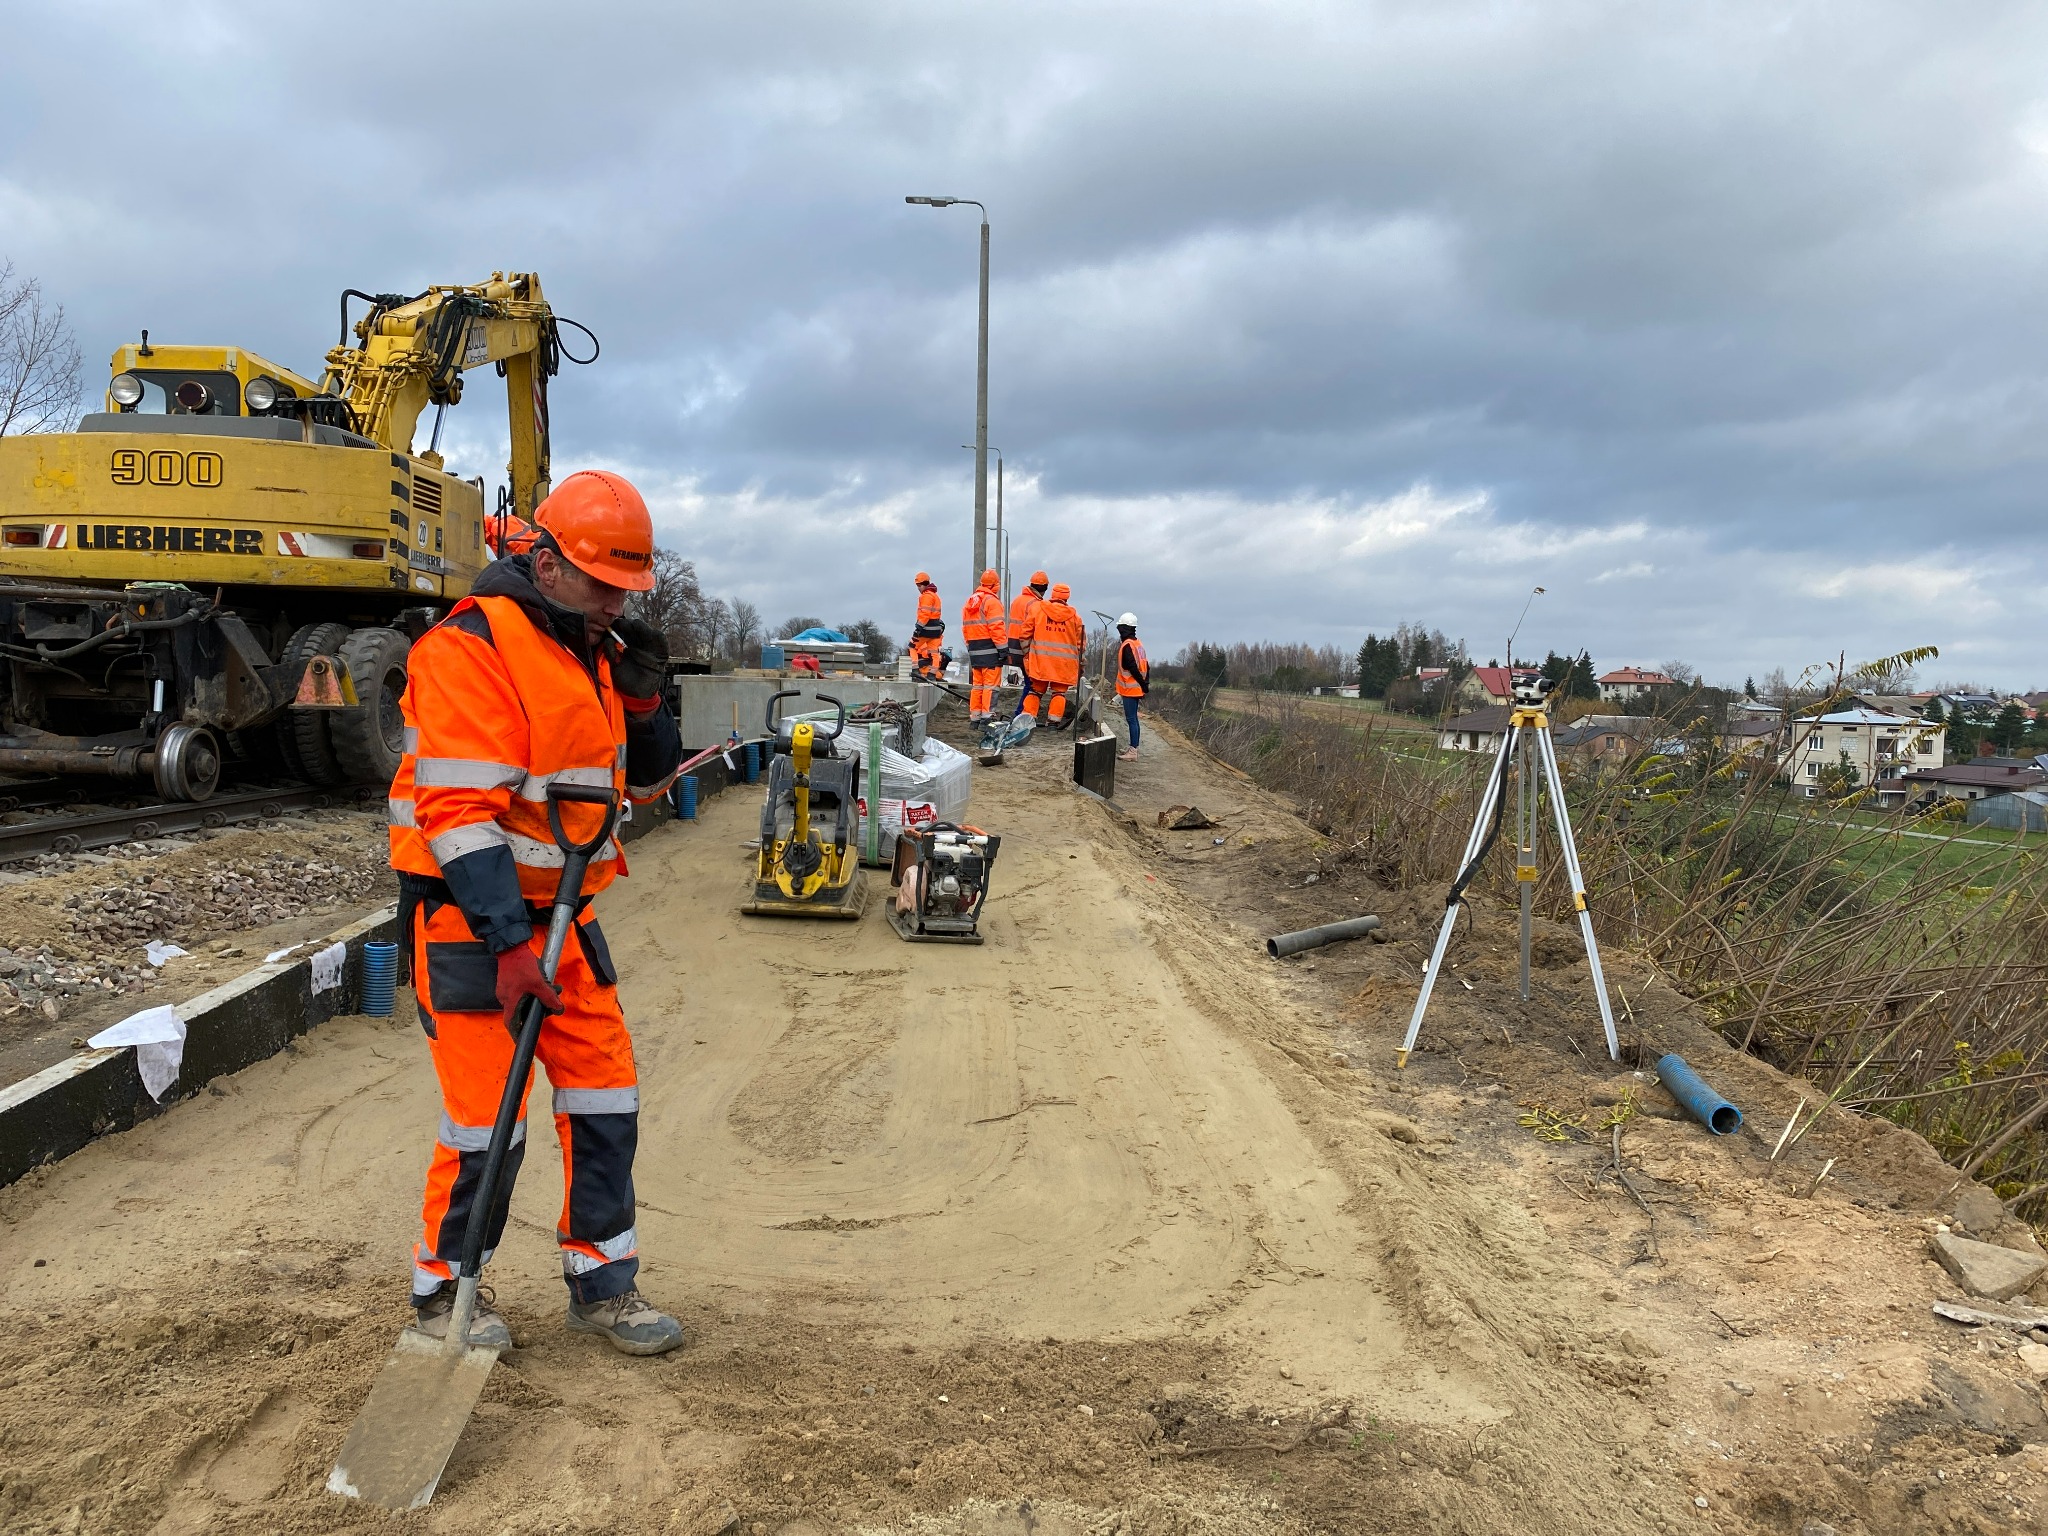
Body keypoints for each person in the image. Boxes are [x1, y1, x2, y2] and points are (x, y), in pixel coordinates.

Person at [387, 469, 687, 1357]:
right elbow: (457, 816)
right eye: (601, 585)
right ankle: (446, 1298)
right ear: (547, 562)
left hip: (566, 923)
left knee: (606, 1098)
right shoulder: (469, 648)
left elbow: (643, 777)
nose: (612, 604)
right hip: (471, 923)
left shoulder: (588, 649)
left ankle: (602, 1284)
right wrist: (510, 947)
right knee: (486, 1121)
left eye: (626, 590)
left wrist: (643, 700)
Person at [1020, 581, 1084, 728]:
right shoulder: (1075, 618)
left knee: (1035, 691)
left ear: (1053, 594)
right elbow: (1081, 645)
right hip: (1064, 664)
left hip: (1040, 661)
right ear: (1067, 597)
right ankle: (1053, 723)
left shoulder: (1038, 609)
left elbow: (1024, 634)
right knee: (1059, 694)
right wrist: (1080, 663)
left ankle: (1027, 721)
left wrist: (1027, 654)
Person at [960, 568, 1005, 722]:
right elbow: (996, 628)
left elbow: (965, 628)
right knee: (991, 686)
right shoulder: (992, 602)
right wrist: (1003, 650)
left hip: (974, 649)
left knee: (978, 686)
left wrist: (970, 647)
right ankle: (988, 716)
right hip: (990, 650)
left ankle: (975, 717)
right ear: (995, 585)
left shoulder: (970, 601)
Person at [1005, 571, 1048, 717]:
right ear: (1045, 588)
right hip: (1026, 648)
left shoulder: (1018, 600)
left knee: (1029, 682)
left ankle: (1021, 714)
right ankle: (1021, 715)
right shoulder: (1036, 604)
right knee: (1033, 685)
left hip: (1012, 645)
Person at [1114, 612, 1149, 760]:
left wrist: (1142, 684)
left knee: (1132, 719)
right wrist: (1145, 684)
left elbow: (1133, 668)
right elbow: (1146, 665)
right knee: (1133, 719)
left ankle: (1133, 751)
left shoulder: (1127, 646)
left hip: (1131, 689)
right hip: (1136, 688)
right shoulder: (1138, 644)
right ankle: (1133, 747)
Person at [909, 572, 944, 679]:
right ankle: (932, 674)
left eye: (919, 586)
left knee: (912, 647)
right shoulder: (935, 596)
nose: (918, 588)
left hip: (926, 628)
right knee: (934, 652)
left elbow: (925, 614)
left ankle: (915, 670)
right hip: (935, 630)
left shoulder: (926, 596)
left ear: (924, 584)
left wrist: (918, 628)